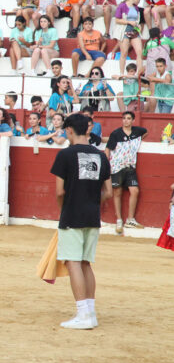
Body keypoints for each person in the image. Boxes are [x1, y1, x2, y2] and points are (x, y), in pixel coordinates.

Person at [50, 113, 111, 330]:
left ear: (68, 131)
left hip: (72, 214)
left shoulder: (65, 155)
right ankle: (90, 313)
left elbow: (59, 192)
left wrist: (64, 211)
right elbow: (109, 192)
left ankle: (83, 315)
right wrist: (92, 203)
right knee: (85, 263)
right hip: (93, 215)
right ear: (87, 129)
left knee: (72, 262)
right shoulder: (101, 156)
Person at [105, 111, 148, 234]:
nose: (126, 121)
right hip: (117, 166)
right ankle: (119, 220)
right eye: (124, 118)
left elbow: (146, 132)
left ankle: (130, 219)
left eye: (128, 118)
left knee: (135, 191)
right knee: (117, 192)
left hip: (130, 166)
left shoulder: (137, 131)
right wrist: (107, 165)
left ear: (133, 120)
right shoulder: (116, 133)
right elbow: (107, 149)